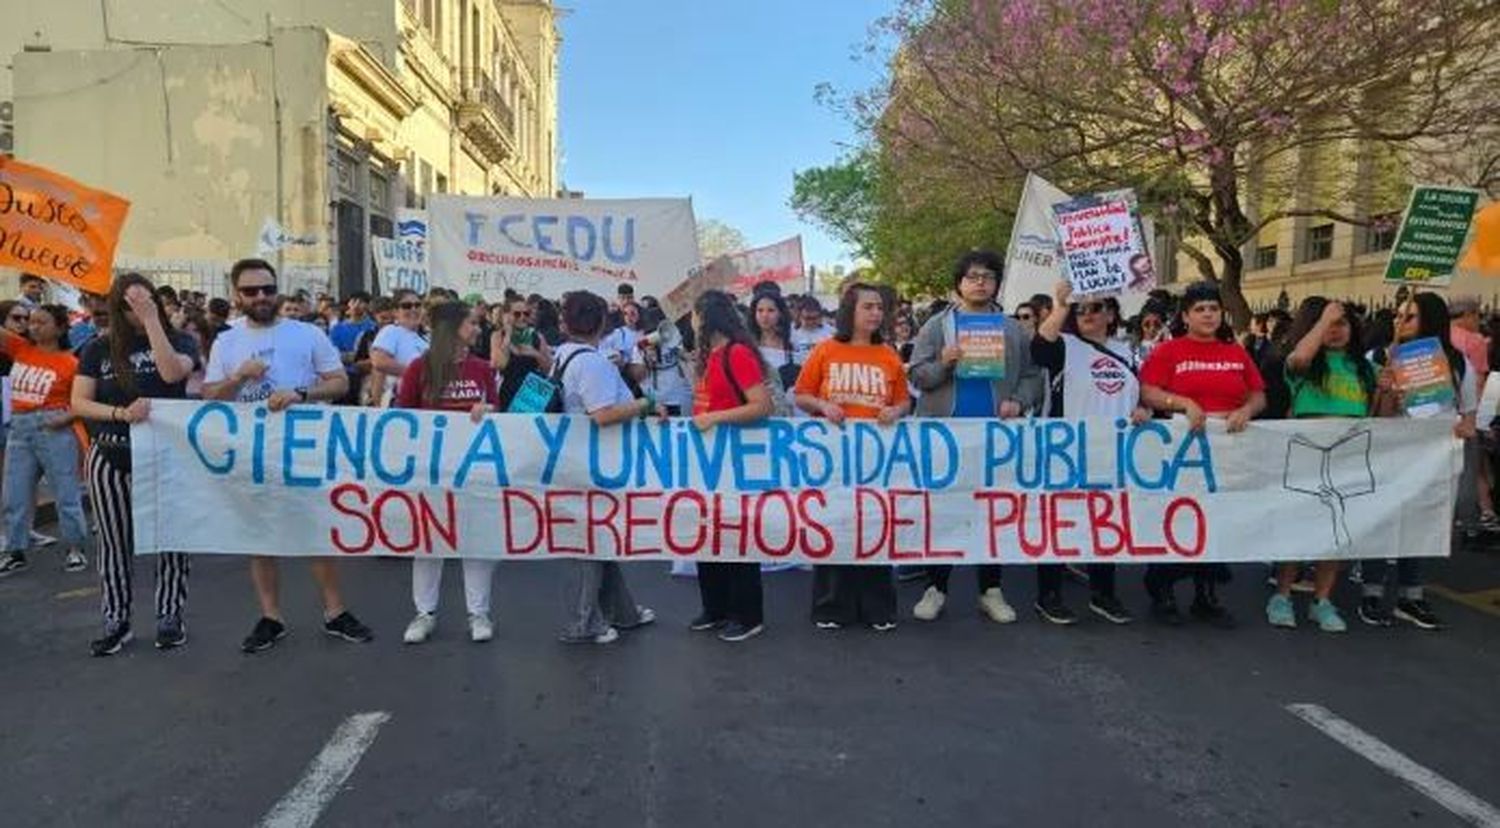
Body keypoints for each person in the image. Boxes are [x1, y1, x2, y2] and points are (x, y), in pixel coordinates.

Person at [201, 259, 370, 653]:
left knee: (315, 531)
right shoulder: (226, 342)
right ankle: (271, 617)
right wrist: (240, 376)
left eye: (268, 289)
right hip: (251, 452)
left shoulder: (307, 334)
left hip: (304, 449)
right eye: (251, 291)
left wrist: (301, 394)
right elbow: (209, 397)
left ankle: (335, 611)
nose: (261, 297)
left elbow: (340, 382)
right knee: (260, 536)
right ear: (236, 296)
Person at [907, 251, 1042, 625]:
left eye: (987, 276)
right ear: (959, 284)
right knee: (945, 512)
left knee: (993, 511)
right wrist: (944, 363)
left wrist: (1018, 400)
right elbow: (918, 376)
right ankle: (936, 587)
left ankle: (990, 590)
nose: (980, 282)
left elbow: (1033, 376)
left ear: (997, 283)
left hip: (996, 438)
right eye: (972, 277)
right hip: (946, 437)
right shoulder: (937, 327)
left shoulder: (1013, 329)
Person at [71, 274, 198, 655]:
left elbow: (173, 374)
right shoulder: (97, 350)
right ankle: (116, 618)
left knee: (172, 539)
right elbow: (79, 402)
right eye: (131, 305)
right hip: (111, 453)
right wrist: (120, 413)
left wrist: (153, 322)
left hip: (167, 456)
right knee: (113, 542)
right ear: (116, 308)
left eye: (147, 301)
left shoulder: (181, 340)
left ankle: (170, 615)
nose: (139, 310)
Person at [1139, 281, 1266, 627]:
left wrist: (1247, 411)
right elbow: (1149, 391)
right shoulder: (1169, 352)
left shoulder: (1236, 352)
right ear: (1186, 316)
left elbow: (1257, 394)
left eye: (1213, 308)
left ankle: (1206, 593)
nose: (1208, 314)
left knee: (1216, 523)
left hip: (1226, 454)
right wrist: (1181, 403)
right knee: (1178, 518)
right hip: (1182, 452)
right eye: (1200, 309)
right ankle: (1162, 587)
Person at [794, 282, 912, 631]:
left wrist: (898, 411)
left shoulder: (889, 354)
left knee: (874, 528)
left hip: (877, 461)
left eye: (879, 307)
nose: (876, 313)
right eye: (868, 307)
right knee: (836, 528)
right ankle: (832, 606)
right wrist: (822, 405)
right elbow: (801, 395)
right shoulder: (825, 350)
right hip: (833, 460)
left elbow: (905, 400)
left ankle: (878, 607)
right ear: (851, 312)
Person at [1030, 281, 1148, 624]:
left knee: (1105, 521)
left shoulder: (1127, 351)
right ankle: (1048, 595)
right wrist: (1061, 303)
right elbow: (1039, 348)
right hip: (1066, 451)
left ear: (1111, 313)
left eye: (1095, 308)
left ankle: (1103, 593)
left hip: (1112, 452)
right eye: (1081, 309)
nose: (1087, 314)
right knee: (1059, 522)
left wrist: (1144, 410)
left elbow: (1136, 394)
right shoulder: (1064, 345)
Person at [1361, 292, 1475, 630]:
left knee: (1423, 523)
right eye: (1397, 316)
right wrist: (1383, 389)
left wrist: (1460, 430)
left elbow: (1467, 414)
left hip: (1433, 461)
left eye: (1408, 317)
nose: (1399, 322)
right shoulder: (1377, 357)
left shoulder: (1456, 362)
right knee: (1382, 521)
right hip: (1390, 457)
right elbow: (1371, 417)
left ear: (1430, 320)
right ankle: (1372, 591)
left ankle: (1411, 596)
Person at [552, 291, 659, 644]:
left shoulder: (564, 356)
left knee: (598, 536)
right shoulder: (591, 362)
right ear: (600, 323)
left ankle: (620, 611)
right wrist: (644, 404)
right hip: (593, 460)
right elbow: (602, 415)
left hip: (580, 458)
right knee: (588, 542)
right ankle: (584, 622)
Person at [1265, 297, 1375, 633]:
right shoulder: (1305, 364)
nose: (1336, 331)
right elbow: (1298, 357)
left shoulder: (1365, 368)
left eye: (1342, 323)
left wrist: (1388, 393)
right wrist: (1323, 319)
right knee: (1299, 528)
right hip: (1308, 452)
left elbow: (1376, 418)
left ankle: (1322, 600)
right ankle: (1282, 595)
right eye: (1329, 325)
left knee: (1336, 531)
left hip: (1349, 454)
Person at [396, 302, 502, 644]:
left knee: (476, 541)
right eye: (472, 323)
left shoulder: (482, 369)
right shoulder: (418, 369)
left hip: (474, 470)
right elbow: (403, 419)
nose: (478, 329)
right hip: (432, 471)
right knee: (429, 543)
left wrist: (487, 411)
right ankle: (424, 612)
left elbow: (499, 414)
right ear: (451, 327)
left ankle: (479, 612)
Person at [687, 290, 776, 642]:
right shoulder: (709, 356)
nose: (690, 322)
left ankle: (747, 614)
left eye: (694, 315)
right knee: (706, 534)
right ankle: (716, 607)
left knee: (736, 536)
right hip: (708, 461)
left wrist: (715, 419)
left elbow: (762, 405)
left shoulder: (737, 354)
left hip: (734, 459)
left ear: (706, 317)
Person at [0, 304, 90, 576]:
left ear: (60, 328)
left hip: (55, 428)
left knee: (66, 492)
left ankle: (75, 547)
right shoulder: (20, 349)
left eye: (41, 322)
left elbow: (83, 401)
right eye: (31, 322)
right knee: (14, 493)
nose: (33, 326)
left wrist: (64, 418)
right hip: (20, 427)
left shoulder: (71, 363)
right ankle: (15, 550)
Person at [369, 289, 430, 406]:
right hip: (398, 399)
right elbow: (379, 362)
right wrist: (417, 374)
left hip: (423, 399)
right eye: (407, 306)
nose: (413, 309)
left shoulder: (426, 339)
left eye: (418, 305)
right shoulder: (391, 331)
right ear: (395, 311)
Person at [629, 306, 693, 415]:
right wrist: (646, 359)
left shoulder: (672, 337)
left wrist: (686, 355)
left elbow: (683, 355)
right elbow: (637, 376)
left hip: (678, 396)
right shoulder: (641, 345)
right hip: (655, 399)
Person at [494, 295, 555, 410]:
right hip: (508, 390)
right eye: (517, 314)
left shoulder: (536, 336)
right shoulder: (498, 336)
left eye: (526, 314)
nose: (522, 317)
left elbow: (549, 369)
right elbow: (499, 364)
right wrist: (508, 335)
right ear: (507, 315)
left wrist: (535, 354)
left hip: (532, 392)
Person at [329, 291, 375, 404]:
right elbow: (333, 353)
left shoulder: (373, 327)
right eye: (354, 301)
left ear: (368, 306)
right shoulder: (337, 329)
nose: (357, 305)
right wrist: (353, 357)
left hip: (366, 377)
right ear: (349, 304)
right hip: (343, 376)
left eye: (361, 302)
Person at [790, 296, 835, 365]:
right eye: (807, 318)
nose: (811, 322)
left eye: (814, 318)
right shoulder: (791, 332)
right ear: (799, 316)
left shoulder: (830, 332)